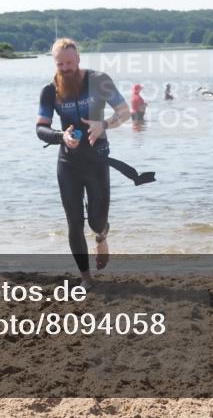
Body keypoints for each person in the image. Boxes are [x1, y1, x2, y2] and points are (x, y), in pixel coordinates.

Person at [36, 39, 130, 287]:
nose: (65, 68)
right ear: (54, 63)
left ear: (78, 58)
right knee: (74, 222)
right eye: (60, 64)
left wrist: (104, 125)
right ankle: (85, 277)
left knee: (96, 221)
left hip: (97, 159)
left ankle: (101, 236)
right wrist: (61, 136)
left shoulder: (99, 80)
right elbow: (40, 128)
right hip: (69, 163)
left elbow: (124, 112)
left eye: (69, 62)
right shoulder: (50, 90)